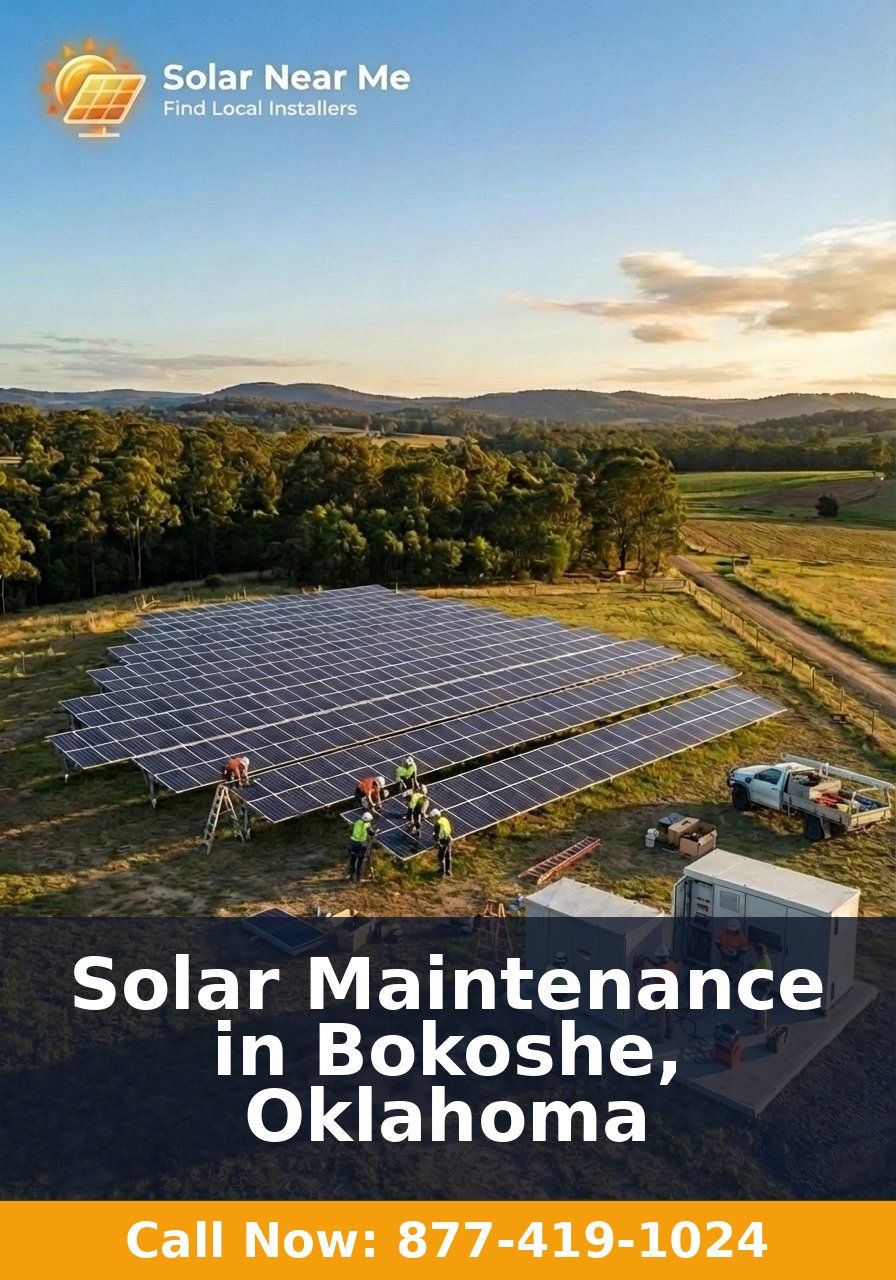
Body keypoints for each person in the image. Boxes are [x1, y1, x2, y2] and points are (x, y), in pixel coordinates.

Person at [649, 945, 679, 1040]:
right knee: (669, 1014)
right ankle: (670, 1033)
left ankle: (660, 1037)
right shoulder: (672, 964)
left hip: (661, 994)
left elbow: (651, 978)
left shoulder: (659, 970)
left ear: (660, 957)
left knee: (660, 1017)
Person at [751, 943, 774, 1033]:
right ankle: (757, 1020)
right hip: (760, 985)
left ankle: (762, 1028)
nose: (755, 953)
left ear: (759, 951)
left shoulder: (763, 961)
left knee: (761, 1008)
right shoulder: (765, 958)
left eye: (756, 951)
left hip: (761, 986)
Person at [347, 811, 374, 884]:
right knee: (360, 862)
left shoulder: (357, 822)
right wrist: (376, 831)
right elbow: (372, 833)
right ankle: (358, 879)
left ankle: (351, 877)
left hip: (352, 843)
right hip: (361, 844)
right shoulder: (367, 825)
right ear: (368, 820)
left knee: (352, 860)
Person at [430, 809, 453, 877]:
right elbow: (449, 828)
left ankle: (442, 872)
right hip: (449, 839)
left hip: (443, 841)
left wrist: (437, 843)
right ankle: (448, 871)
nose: (432, 819)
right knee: (448, 856)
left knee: (441, 856)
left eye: (432, 818)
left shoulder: (437, 824)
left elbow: (436, 835)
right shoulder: (444, 819)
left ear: (436, 816)